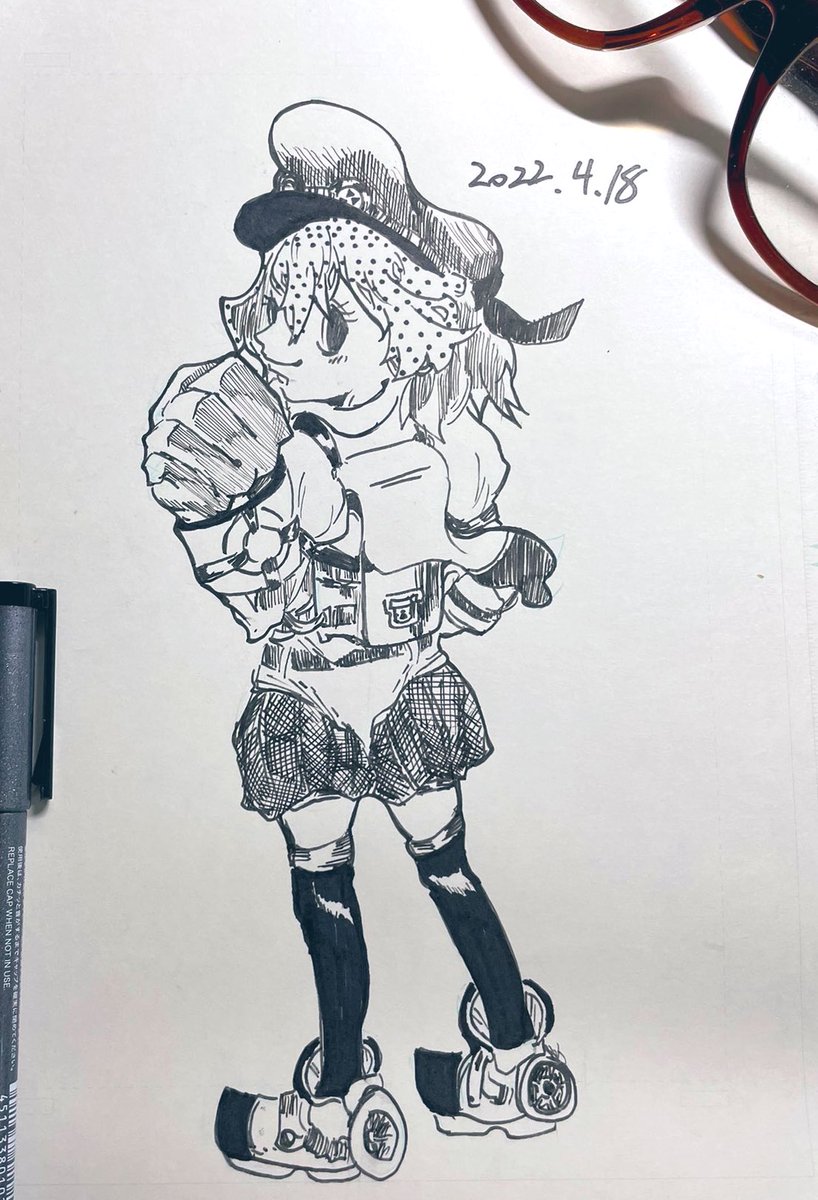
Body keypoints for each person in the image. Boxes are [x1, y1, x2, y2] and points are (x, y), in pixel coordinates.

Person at [143, 101, 581, 1183]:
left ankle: (484, 1056)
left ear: (408, 321)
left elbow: (410, 540)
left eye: (323, 320)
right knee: (345, 879)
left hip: (389, 690)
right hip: (312, 691)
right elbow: (256, 593)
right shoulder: (284, 449)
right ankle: (366, 1083)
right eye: (277, 313)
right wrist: (209, 517)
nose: (285, 344)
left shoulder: (430, 454)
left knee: (425, 868)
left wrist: (307, 504)